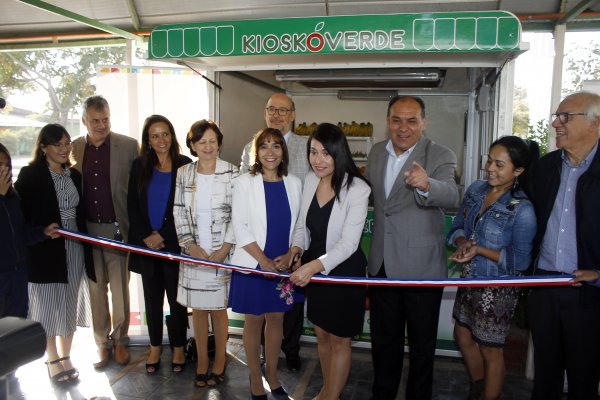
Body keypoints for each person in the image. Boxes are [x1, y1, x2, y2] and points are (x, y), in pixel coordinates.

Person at [365, 95, 459, 400]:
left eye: (411, 120)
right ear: (388, 121)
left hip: (422, 268)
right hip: (381, 265)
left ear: (424, 122)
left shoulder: (440, 154)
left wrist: (426, 184)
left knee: (421, 347)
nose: (403, 127)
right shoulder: (377, 152)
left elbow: (452, 195)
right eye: (396, 119)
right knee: (384, 342)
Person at [448, 136, 537, 400]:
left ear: (518, 170)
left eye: (499, 164)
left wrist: (479, 250)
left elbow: (519, 262)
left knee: (490, 349)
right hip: (469, 278)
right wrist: (464, 242)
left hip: (496, 286)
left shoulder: (523, 210)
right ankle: (480, 387)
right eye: (489, 160)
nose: (490, 169)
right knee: (462, 335)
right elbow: (457, 228)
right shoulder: (476, 189)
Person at [288, 122, 371, 400]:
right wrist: (297, 249)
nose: (318, 160)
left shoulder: (357, 188)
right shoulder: (310, 180)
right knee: (322, 334)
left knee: (339, 339)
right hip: (315, 268)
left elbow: (349, 244)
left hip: (344, 271)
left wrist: (313, 267)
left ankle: (332, 396)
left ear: (338, 152)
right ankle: (326, 389)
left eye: (325, 153)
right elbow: (302, 225)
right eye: (313, 152)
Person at [527, 91, 600, 400]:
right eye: (556, 116)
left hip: (589, 296)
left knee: (584, 379)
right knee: (545, 377)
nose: (556, 123)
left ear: (596, 122)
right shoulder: (544, 169)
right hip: (545, 287)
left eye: (566, 117)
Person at [15, 124, 95, 384]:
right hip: (46, 249)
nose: (64, 149)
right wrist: (42, 231)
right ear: (43, 147)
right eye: (57, 144)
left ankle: (66, 356)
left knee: (70, 301)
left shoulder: (74, 175)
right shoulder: (30, 175)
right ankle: (52, 359)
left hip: (74, 246)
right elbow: (20, 217)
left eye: (67, 143)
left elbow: (80, 212)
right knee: (49, 306)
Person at [229, 127, 302, 399]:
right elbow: (240, 225)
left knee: (276, 319)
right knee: (254, 320)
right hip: (254, 262)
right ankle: (253, 377)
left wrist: (293, 252)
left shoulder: (294, 183)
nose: (270, 152)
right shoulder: (244, 182)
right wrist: (263, 261)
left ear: (283, 151)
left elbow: (300, 225)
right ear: (256, 152)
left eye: (276, 146)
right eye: (264, 146)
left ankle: (271, 374)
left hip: (282, 264)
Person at [241, 92, 309, 372]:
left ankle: (290, 351)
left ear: (293, 114)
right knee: (257, 315)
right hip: (256, 248)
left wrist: (298, 248)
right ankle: (259, 366)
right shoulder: (250, 147)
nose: (277, 115)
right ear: (265, 113)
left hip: (294, 238)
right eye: (272, 109)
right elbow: (243, 199)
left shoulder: (307, 147)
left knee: (287, 310)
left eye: (284, 110)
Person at [72, 95, 139, 368]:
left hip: (117, 230)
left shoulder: (128, 146)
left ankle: (121, 341)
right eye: (95, 121)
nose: (101, 125)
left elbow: (137, 188)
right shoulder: (74, 148)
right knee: (96, 291)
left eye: (105, 119)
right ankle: (102, 344)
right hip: (86, 231)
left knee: (120, 290)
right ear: (84, 121)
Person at [173, 120, 238, 387]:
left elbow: (239, 215)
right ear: (193, 145)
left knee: (219, 310)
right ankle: (201, 362)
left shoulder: (232, 173)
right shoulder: (183, 173)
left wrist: (224, 249)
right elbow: (178, 210)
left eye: (212, 141)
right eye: (202, 142)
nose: (208, 146)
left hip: (221, 253)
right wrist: (190, 246)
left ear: (219, 143)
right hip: (193, 253)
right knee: (198, 310)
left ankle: (220, 361)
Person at [127, 115, 192, 374]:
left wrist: (163, 235)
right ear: (148, 140)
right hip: (147, 246)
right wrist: (146, 236)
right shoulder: (138, 165)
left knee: (177, 300)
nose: (161, 140)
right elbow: (132, 204)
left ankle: (178, 346)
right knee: (152, 298)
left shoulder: (185, 165)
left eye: (165, 134)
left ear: (172, 136)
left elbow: (186, 208)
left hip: (173, 244)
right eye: (155, 136)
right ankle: (155, 346)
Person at [0, 142, 57, 319]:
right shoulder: (4, 196)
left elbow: (19, 233)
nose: (3, 170)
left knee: (16, 329)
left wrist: (43, 232)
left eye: (6, 165)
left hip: (18, 274)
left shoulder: (13, 196)